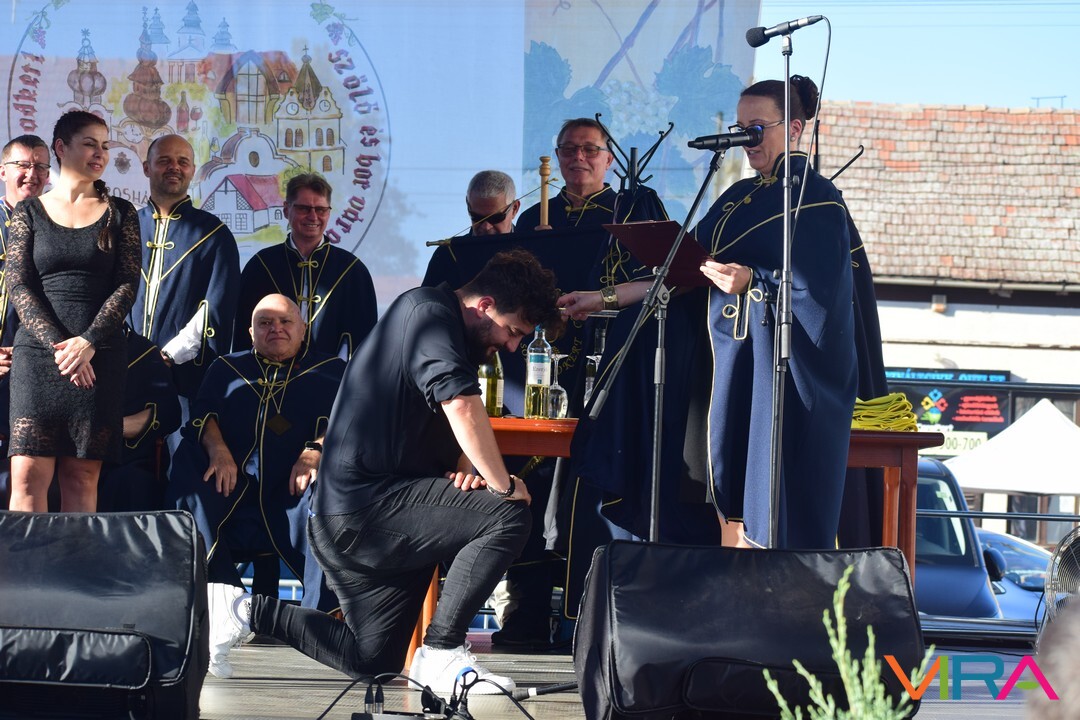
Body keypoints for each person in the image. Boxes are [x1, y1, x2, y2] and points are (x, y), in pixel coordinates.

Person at [206, 248, 562, 696]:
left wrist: (465, 470)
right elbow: (460, 404)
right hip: (365, 510)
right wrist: (503, 485)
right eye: (512, 332)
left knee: (372, 660)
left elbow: (440, 414)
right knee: (507, 513)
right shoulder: (429, 313)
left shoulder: (441, 324)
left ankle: (241, 610)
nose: (511, 346)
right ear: (485, 305)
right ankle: (444, 653)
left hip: (369, 517)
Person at [560, 75, 857, 550]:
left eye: (756, 128)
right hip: (709, 375)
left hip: (761, 379)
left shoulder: (817, 200)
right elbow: (683, 268)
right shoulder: (734, 199)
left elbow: (819, 295)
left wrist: (753, 280)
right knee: (703, 499)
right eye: (739, 129)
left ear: (795, 128)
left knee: (748, 508)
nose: (745, 140)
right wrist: (603, 298)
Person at [168, 294, 344, 615]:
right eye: (265, 323)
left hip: (294, 489)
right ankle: (228, 599)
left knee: (327, 495)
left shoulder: (333, 370)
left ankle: (317, 619)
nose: (275, 328)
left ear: (303, 329)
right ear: (251, 333)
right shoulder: (226, 368)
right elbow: (202, 414)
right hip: (233, 486)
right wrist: (218, 449)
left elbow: (349, 421)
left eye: (285, 321)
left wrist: (316, 450)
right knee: (187, 465)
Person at [5, 110, 141, 512]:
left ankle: (76, 558)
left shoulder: (121, 212)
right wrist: (61, 347)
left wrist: (88, 342)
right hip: (39, 357)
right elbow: (19, 285)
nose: (100, 154)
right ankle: (27, 558)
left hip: (98, 357)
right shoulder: (28, 212)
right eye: (89, 144)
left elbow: (127, 285)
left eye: (105, 146)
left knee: (81, 477)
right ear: (61, 148)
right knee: (27, 476)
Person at [131, 134, 240, 405]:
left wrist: (169, 355)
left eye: (183, 162)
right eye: (164, 160)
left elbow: (215, 307)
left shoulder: (214, 234)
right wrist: (127, 349)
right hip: (125, 367)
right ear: (146, 168)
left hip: (183, 373)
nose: (174, 167)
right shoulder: (126, 227)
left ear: (192, 170)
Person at [234, 173, 377, 359]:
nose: (313, 216)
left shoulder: (352, 271)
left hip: (330, 374)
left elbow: (365, 342)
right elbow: (243, 335)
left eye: (321, 209)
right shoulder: (260, 266)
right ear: (287, 210)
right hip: (269, 374)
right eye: (304, 208)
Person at [0, 134, 50, 505]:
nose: (31, 174)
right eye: (22, 165)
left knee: (28, 485)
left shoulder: (55, 229)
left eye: (40, 167)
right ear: (3, 171)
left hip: (33, 375)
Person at [95, 325, 181, 512]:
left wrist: (112, 428)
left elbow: (168, 412)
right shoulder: (62, 351)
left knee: (129, 482)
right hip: (68, 457)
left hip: (126, 459)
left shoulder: (144, 352)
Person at [517, 118, 620, 230]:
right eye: (568, 148)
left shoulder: (625, 214)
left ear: (609, 160)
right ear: (558, 156)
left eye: (590, 149)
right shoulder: (531, 218)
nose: (578, 156)